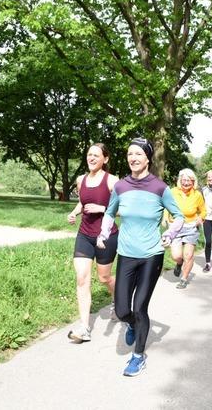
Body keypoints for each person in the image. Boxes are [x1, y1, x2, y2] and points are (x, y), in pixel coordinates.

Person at [97, 137, 184, 377]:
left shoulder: (160, 187)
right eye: (129, 154)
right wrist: (104, 232)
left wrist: (170, 233)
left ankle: (138, 357)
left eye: (138, 154)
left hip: (151, 256)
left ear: (147, 158)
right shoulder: (120, 187)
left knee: (139, 307)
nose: (133, 158)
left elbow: (178, 216)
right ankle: (132, 324)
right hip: (126, 253)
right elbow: (109, 212)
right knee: (123, 310)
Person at [66, 143, 119, 343]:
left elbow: (123, 208)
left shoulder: (113, 181)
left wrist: (102, 208)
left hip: (106, 237)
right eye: (89, 154)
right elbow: (82, 201)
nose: (91, 158)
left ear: (105, 159)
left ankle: (118, 298)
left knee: (104, 278)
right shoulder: (81, 180)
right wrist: (74, 212)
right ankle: (84, 327)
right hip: (84, 235)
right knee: (82, 278)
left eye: (96, 155)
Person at [169, 168, 206, 289]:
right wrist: (165, 218)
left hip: (191, 227)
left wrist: (201, 218)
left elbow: (203, 210)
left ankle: (184, 278)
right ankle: (179, 263)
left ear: (193, 181)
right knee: (176, 255)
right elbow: (166, 205)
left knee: (188, 255)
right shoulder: (173, 191)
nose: (186, 183)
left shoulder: (197, 194)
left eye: (189, 181)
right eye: (184, 180)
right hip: (176, 226)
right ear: (180, 180)